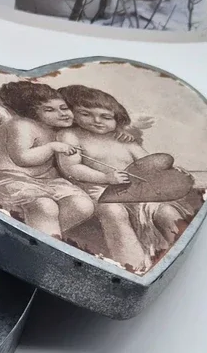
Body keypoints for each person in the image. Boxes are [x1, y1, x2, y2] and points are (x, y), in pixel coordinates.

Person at [55, 85, 186, 274]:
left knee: (166, 211)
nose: (97, 121)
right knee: (114, 211)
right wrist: (105, 177)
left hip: (136, 192)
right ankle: (133, 267)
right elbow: (71, 167)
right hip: (98, 191)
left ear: (117, 119)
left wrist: (168, 173)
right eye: (86, 114)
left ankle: (178, 259)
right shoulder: (70, 135)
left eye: (106, 117)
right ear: (73, 114)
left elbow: (148, 163)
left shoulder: (123, 140)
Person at [0, 81, 95, 238]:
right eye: (49, 110)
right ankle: (42, 239)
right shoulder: (21, 125)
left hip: (42, 180)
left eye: (64, 108)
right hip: (3, 178)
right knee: (45, 206)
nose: (62, 113)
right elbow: (22, 158)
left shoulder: (58, 130)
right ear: (34, 114)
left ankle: (35, 236)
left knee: (83, 205)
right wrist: (51, 147)